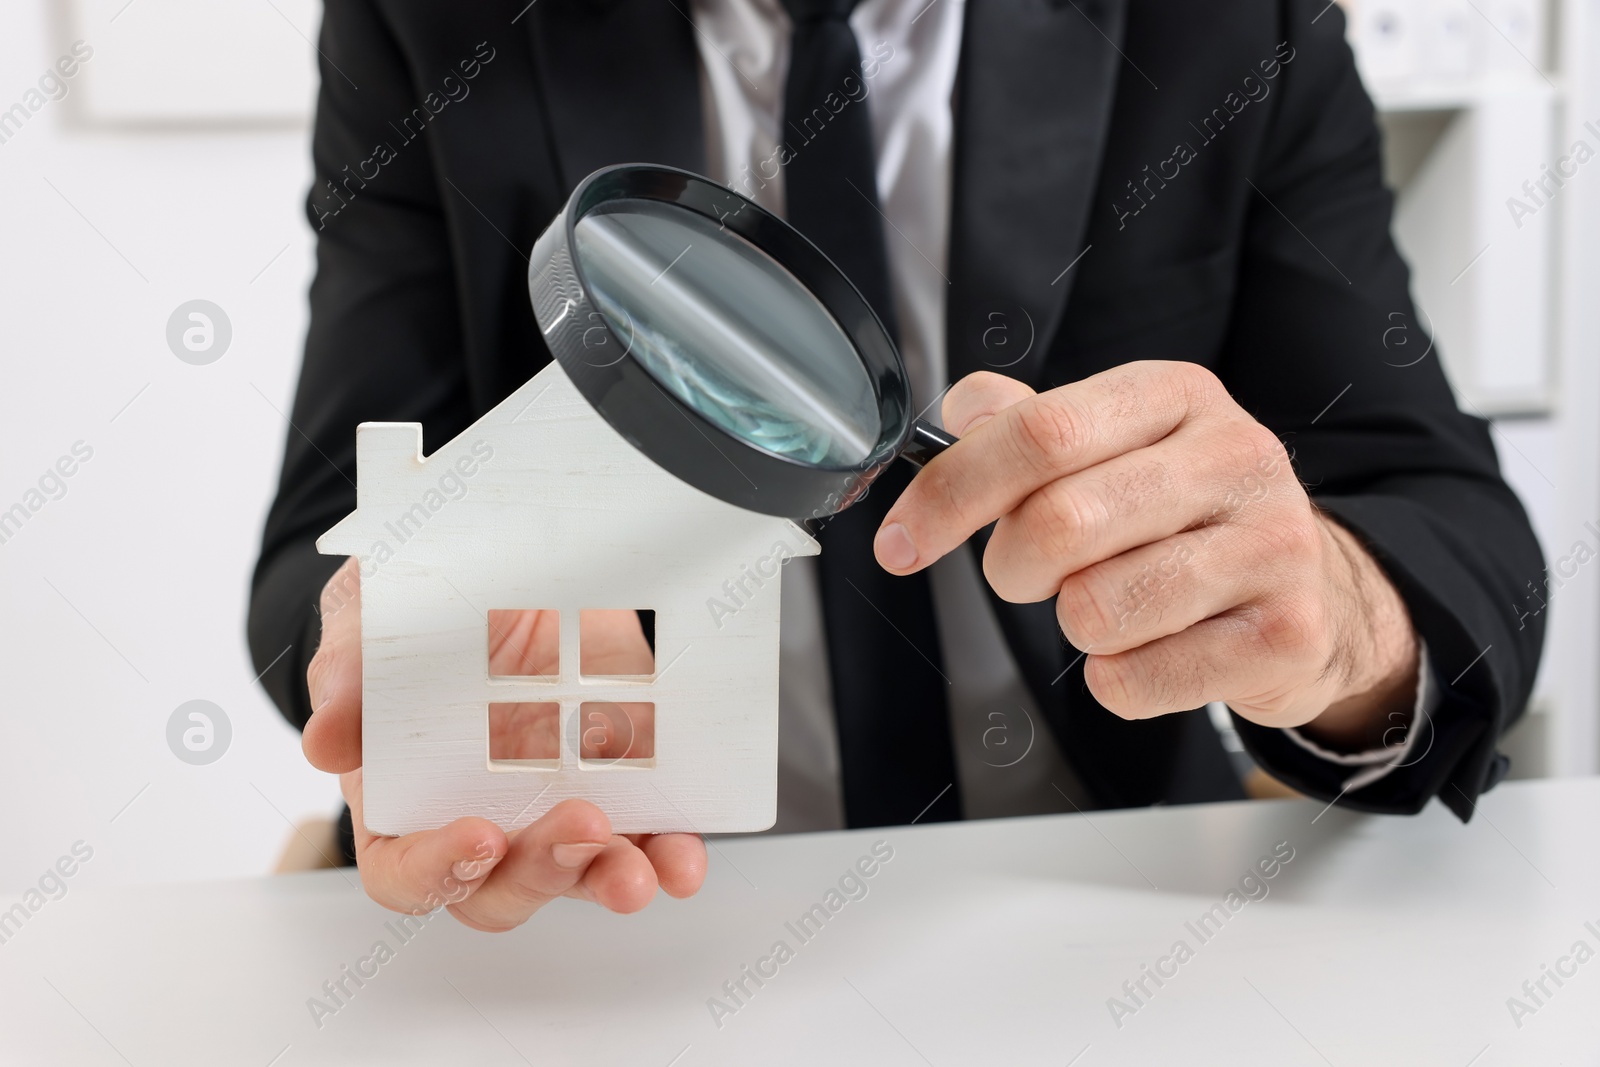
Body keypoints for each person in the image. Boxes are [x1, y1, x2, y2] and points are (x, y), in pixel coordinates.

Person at [249, 0, 1545, 932]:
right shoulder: (429, 21)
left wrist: (1342, 618)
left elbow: (1449, 519)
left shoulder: (1221, 23)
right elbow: (318, 547)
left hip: (1089, 896)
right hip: (633, 913)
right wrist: (406, 652)